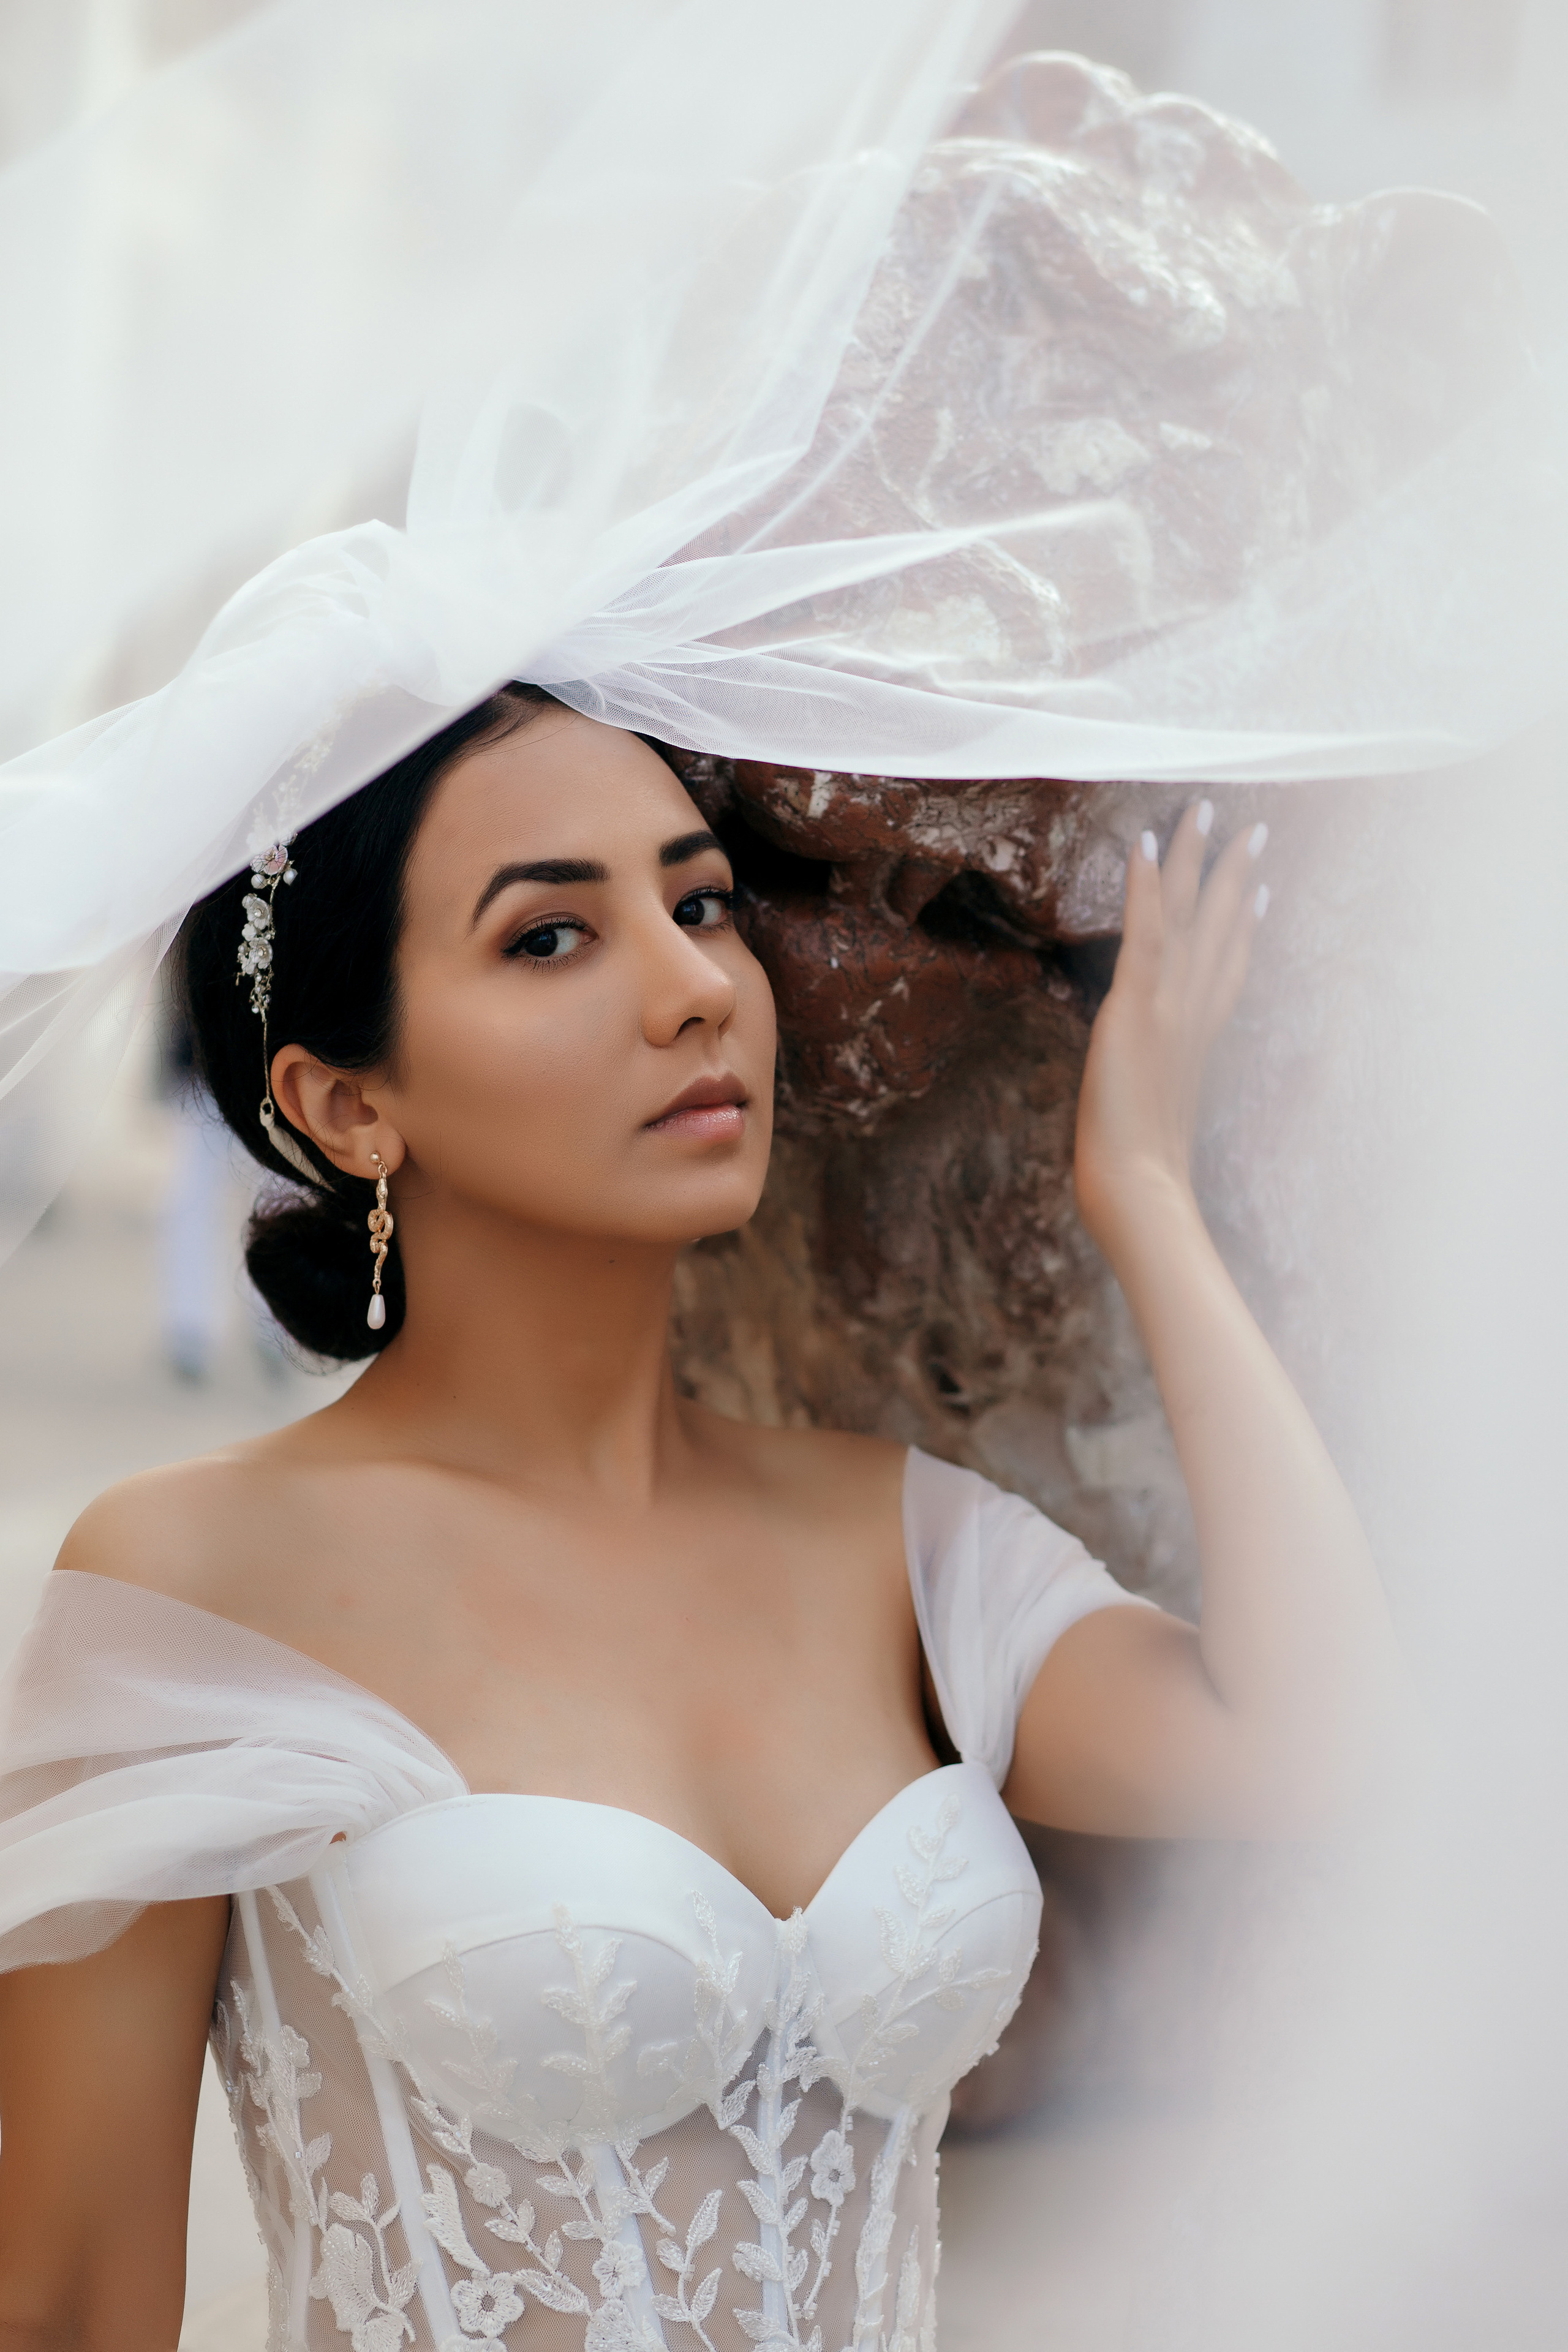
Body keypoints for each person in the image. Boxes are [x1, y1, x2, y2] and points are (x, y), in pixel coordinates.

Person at [0, 681, 1406, 2351]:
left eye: (701, 906)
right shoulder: (198, 1577)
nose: (692, 994)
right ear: (343, 1104)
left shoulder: (898, 1539)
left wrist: (1146, 1193)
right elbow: (74, 2301)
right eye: (548, 939)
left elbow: (1323, 1750)